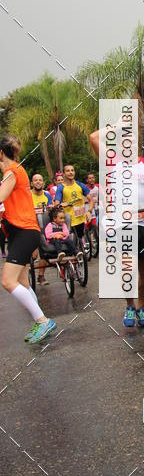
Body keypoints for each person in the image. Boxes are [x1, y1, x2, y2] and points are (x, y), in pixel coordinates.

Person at [90, 122, 144, 328]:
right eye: (125, 141)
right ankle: (130, 306)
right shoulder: (112, 162)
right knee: (127, 270)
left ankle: (141, 307)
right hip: (123, 225)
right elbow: (94, 137)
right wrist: (118, 125)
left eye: (132, 141)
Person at [0, 135, 56, 344]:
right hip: (20, 232)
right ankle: (40, 320)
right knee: (22, 282)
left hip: (24, 231)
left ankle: (43, 321)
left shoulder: (11, 171)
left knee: (8, 281)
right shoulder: (15, 170)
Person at [53, 165, 92, 243]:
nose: (70, 172)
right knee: (74, 244)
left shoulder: (80, 185)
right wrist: (60, 205)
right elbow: (56, 205)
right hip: (70, 222)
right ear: (64, 174)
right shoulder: (61, 188)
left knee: (84, 242)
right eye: (68, 171)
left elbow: (91, 200)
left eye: (72, 170)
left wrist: (89, 211)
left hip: (82, 220)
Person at [30, 174, 53, 285]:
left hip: (44, 227)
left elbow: (50, 210)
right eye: (35, 180)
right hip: (31, 227)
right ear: (32, 183)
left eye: (40, 180)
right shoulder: (27, 195)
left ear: (43, 183)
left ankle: (41, 276)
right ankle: (26, 273)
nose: (38, 182)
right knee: (33, 255)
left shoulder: (47, 194)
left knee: (44, 253)